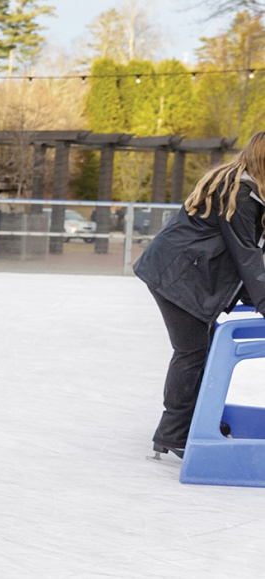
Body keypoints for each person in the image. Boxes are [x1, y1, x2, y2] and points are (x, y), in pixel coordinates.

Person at [133, 130, 265, 459]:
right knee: (191, 352)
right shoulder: (241, 195)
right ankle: (173, 432)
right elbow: (246, 256)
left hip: (190, 274)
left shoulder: (242, 188)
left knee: (199, 351)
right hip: (180, 278)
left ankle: (191, 423)